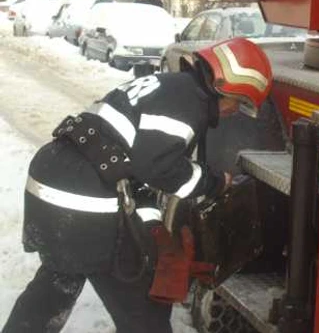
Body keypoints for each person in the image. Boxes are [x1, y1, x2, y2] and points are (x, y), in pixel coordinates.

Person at [1, 38, 273, 333]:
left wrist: (153, 228)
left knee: (55, 286)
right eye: (239, 102)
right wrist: (215, 182)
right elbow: (159, 169)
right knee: (141, 311)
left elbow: (136, 171)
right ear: (224, 86)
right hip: (84, 197)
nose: (234, 111)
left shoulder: (169, 86)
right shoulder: (188, 103)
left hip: (54, 180)